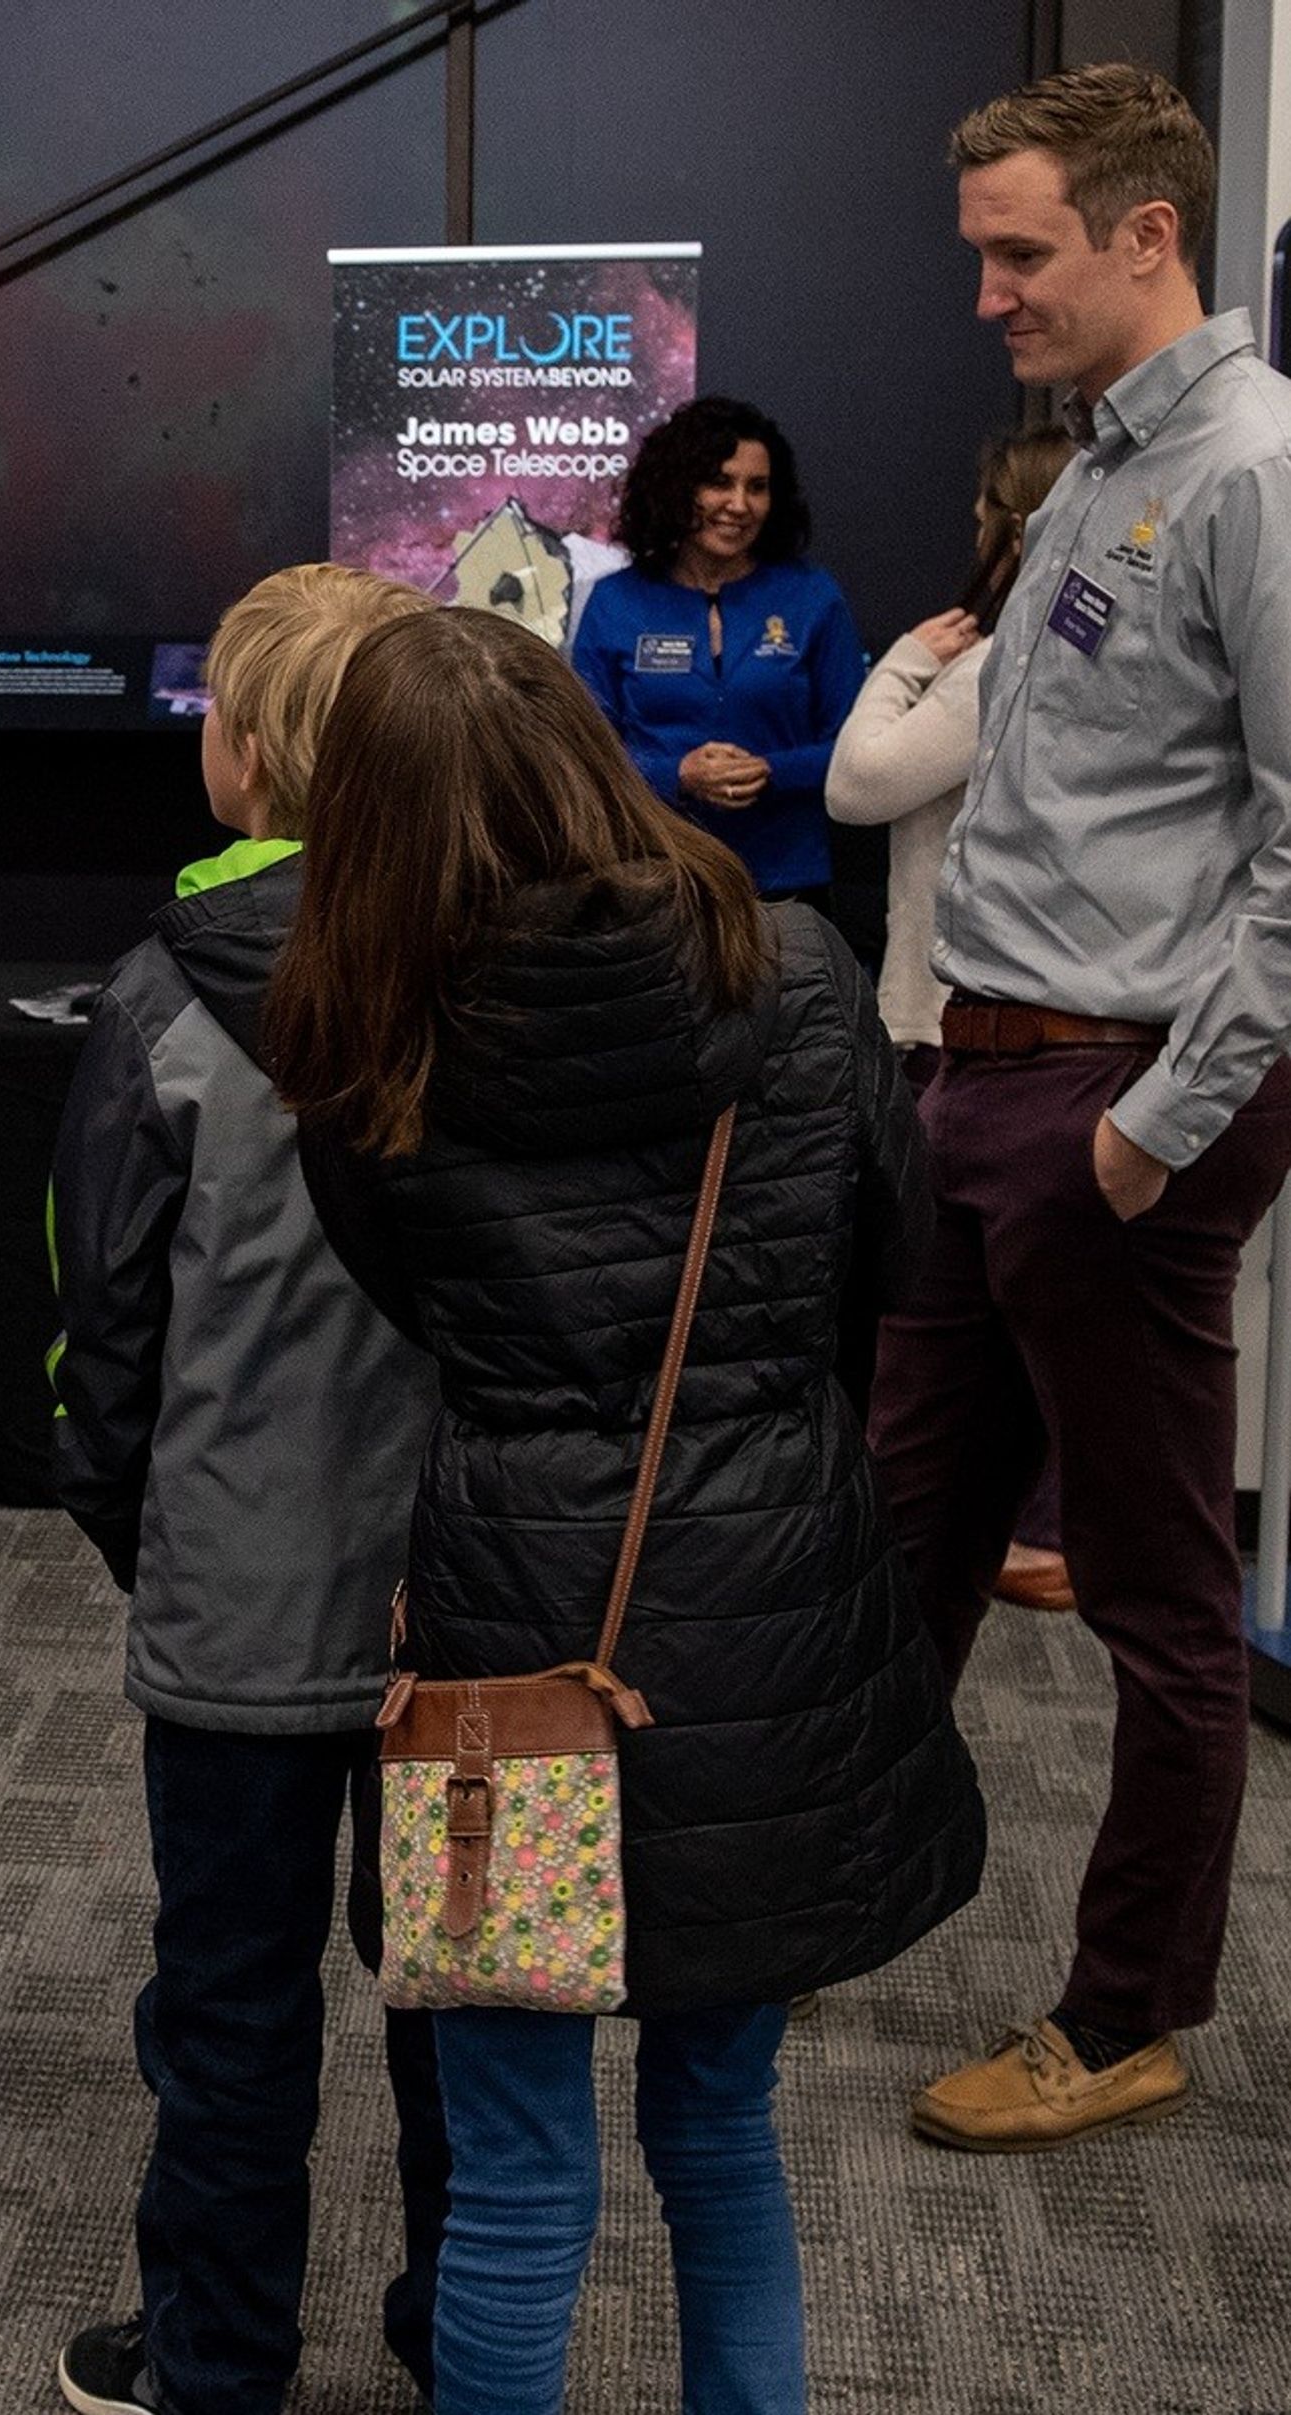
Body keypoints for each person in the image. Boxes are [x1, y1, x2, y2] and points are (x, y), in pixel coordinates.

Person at [269, 606, 985, 2415]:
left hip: (514, 1633)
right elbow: (887, 1267)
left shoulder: (368, 1049)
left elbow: (403, 1307)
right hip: (773, 1612)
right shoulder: (801, 976)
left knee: (515, 2183)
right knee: (723, 2133)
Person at [879, 62, 1291, 2152]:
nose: (983, 295)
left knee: (1149, 1598)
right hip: (987, 1075)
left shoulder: (1249, 471)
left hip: (1117, 1103)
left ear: (1147, 237)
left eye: (1017, 252)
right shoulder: (1096, 462)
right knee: (907, 1526)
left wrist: (1153, 1128)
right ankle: (821, 1890)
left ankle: (1121, 2010)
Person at [49, 563, 450, 2415]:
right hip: (474, 1609)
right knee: (468, 1999)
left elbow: (100, 1344)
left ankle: (213, 2360)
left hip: (230, 1599)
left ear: (251, 754)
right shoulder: (498, 985)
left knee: (226, 2009)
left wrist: (150, 1543)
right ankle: (470, 2325)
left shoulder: (151, 1008)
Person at [825, 426, 1078, 1616]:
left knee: (948, 1312)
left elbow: (856, 783)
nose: (972, 524)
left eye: (985, 506)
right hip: (972, 1011)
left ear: (1011, 523)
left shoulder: (991, 668)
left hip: (942, 1017)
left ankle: (1016, 1536)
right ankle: (1022, 1529)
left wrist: (896, 663)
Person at [571, 397, 868, 912]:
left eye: (757, 487)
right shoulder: (616, 602)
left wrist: (773, 770)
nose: (740, 504)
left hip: (787, 881)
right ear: (677, 488)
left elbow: (856, 745)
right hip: (658, 874)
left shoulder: (811, 596)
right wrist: (677, 775)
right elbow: (585, 755)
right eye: (719, 483)